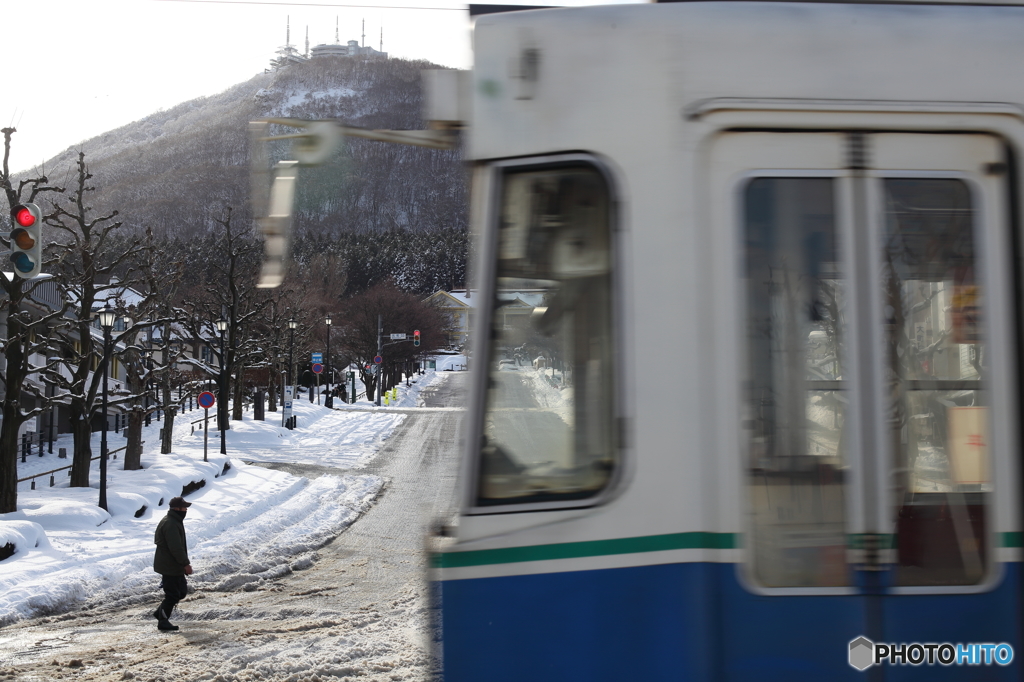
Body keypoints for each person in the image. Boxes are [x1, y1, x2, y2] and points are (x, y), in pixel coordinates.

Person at [153, 496, 194, 631]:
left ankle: (160, 612)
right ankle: (163, 620)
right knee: (173, 594)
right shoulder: (171, 523)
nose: (186, 510)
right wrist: (185, 563)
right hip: (169, 565)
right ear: (177, 509)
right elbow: (175, 547)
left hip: (172, 564)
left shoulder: (174, 520)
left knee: (181, 591)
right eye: (184, 507)